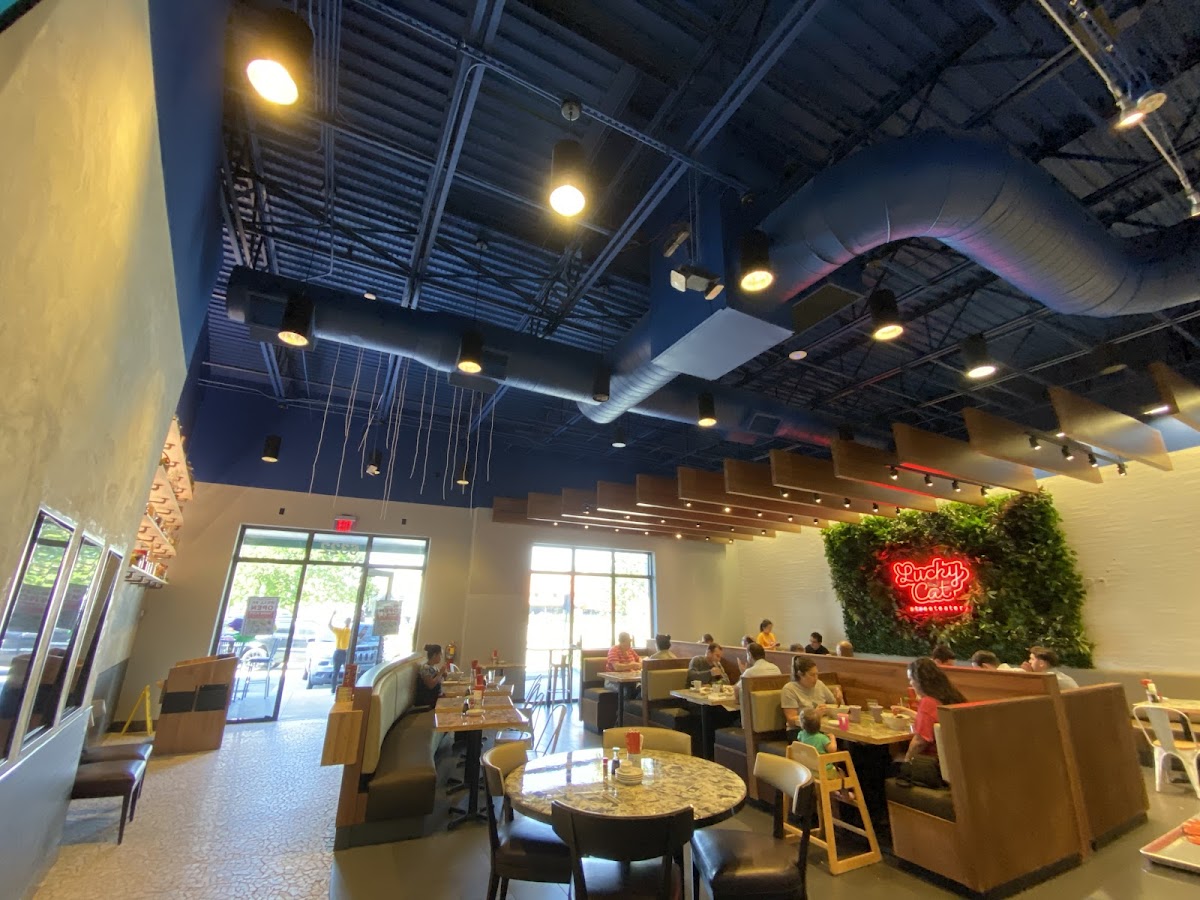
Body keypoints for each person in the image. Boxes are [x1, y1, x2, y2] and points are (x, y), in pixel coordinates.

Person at [891, 657, 967, 762]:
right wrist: (905, 710)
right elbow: (933, 719)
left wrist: (907, 760)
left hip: (934, 762)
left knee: (890, 759)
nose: (910, 683)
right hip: (957, 759)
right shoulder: (952, 696)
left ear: (919, 681)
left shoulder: (928, 702)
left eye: (911, 679)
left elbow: (919, 742)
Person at [781, 657, 838, 733]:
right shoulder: (789, 689)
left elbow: (835, 705)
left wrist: (839, 699)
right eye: (812, 675)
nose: (816, 678)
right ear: (800, 674)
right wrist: (814, 714)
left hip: (822, 727)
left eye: (817, 674)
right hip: (800, 730)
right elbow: (791, 720)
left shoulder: (819, 684)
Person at [794, 708, 838, 775]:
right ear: (819, 724)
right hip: (824, 771)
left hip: (808, 769)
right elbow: (832, 749)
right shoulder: (822, 738)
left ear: (802, 725)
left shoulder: (801, 735)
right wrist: (832, 738)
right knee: (841, 772)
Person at [415, 643, 448, 708]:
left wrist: (443, 675)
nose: (441, 658)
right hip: (428, 701)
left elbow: (437, 680)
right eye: (440, 655)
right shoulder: (425, 668)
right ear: (434, 655)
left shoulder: (434, 667)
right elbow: (431, 685)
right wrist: (440, 673)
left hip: (435, 698)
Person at [327, 613, 353, 694]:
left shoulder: (339, 631)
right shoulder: (349, 631)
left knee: (336, 672)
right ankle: (345, 688)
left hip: (338, 652)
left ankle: (333, 689)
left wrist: (332, 615)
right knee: (347, 672)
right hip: (344, 653)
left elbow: (329, 625)